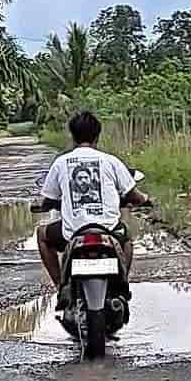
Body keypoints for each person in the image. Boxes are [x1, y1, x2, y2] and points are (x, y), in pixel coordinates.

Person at [35, 110, 151, 291]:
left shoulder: (60, 163)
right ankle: (122, 285)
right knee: (126, 239)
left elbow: (48, 199)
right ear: (97, 136)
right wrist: (145, 199)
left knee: (42, 234)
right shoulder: (111, 161)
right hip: (109, 230)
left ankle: (60, 286)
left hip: (72, 233)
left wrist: (42, 206)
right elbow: (133, 194)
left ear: (72, 136)